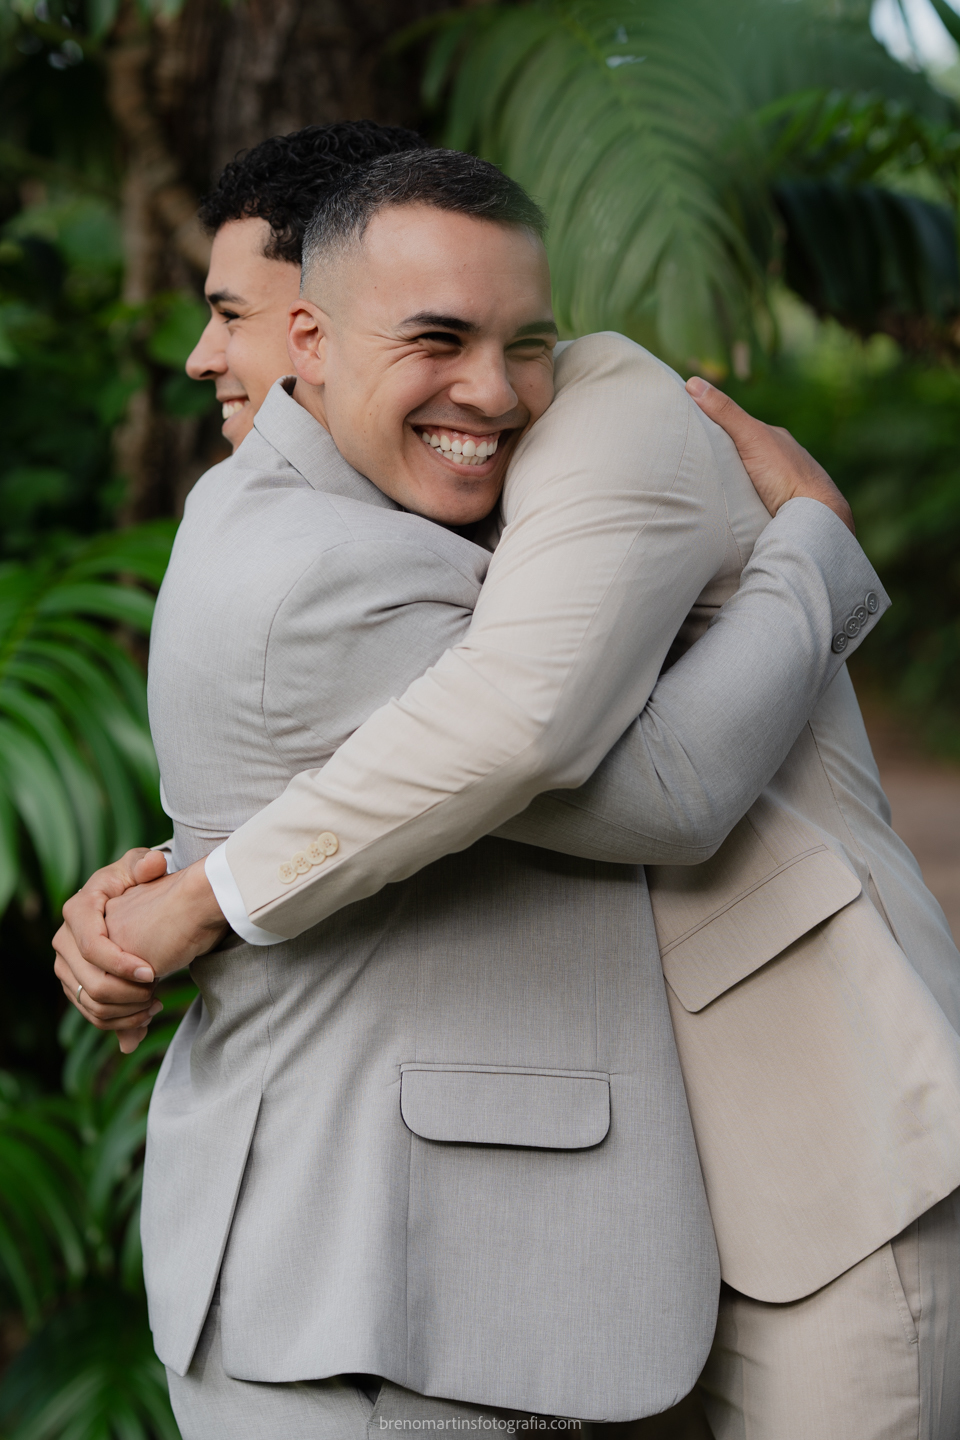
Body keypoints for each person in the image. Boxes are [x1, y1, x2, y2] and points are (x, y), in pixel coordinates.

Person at [52, 147, 948, 1438]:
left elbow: (548, 745)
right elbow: (448, 747)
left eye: (229, 313)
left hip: (827, 1132)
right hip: (495, 1243)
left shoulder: (597, 427)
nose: (211, 358)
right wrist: (196, 877)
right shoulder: (317, 544)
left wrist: (202, 894)